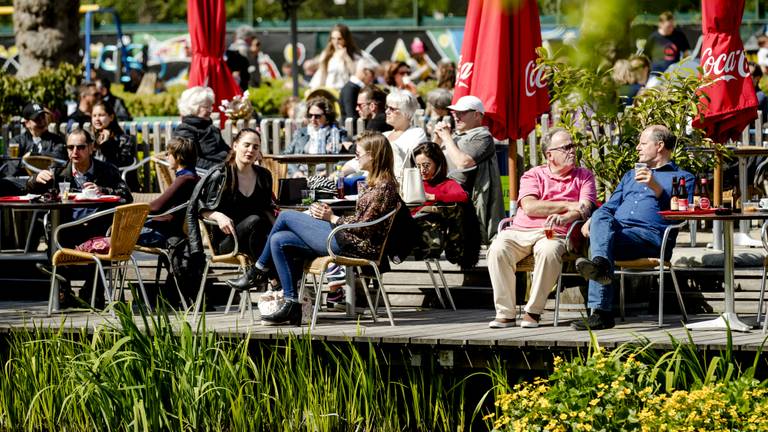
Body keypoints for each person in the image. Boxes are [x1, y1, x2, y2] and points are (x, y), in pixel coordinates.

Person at [233, 131, 400, 326]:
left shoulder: (382, 188)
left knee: (286, 216)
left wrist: (333, 218)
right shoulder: (375, 184)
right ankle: (291, 304)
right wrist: (334, 217)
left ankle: (258, 270)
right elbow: (363, 220)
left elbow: (364, 229)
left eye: (358, 153)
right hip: (347, 238)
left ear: (372, 155)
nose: (355, 157)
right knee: (279, 240)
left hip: (354, 245)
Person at [572, 125, 694, 330]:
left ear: (660, 145)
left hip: (649, 239)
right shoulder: (630, 175)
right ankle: (601, 267)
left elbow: (679, 214)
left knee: (600, 242)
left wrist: (656, 187)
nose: (637, 147)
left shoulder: (681, 177)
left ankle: (601, 312)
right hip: (618, 234)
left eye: (643, 143)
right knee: (600, 215)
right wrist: (592, 220)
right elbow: (610, 206)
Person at [487, 128, 596, 329]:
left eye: (573, 146)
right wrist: (568, 204)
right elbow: (530, 206)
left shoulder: (584, 176)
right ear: (549, 155)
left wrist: (568, 215)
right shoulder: (533, 175)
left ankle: (533, 312)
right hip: (519, 231)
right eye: (566, 147)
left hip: (556, 233)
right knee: (497, 249)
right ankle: (506, 313)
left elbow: (585, 208)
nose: (573, 151)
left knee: (548, 250)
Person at [28, 129, 133, 307]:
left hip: (98, 229)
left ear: (91, 147)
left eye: (80, 147)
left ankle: (93, 291)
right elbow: (31, 190)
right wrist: (35, 179)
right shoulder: (59, 172)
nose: (74, 152)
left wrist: (103, 190)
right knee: (54, 235)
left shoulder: (106, 170)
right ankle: (63, 289)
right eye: (70, 147)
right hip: (67, 230)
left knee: (103, 240)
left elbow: (126, 196)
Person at [187, 128, 276, 293]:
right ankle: (274, 279)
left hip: (256, 239)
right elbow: (198, 207)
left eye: (255, 147)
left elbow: (267, 209)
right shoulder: (220, 174)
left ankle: (269, 279)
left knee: (280, 238)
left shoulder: (264, 175)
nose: (250, 150)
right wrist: (218, 215)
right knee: (255, 221)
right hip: (227, 241)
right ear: (235, 146)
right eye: (246, 145)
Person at [433, 95, 504, 244]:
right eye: (454, 113)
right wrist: (437, 141)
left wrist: (446, 138)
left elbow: (463, 163)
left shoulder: (483, 137)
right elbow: (428, 162)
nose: (456, 117)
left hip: (467, 201)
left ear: (477, 115)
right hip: (444, 195)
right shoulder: (454, 137)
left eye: (462, 113)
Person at [137, 136, 200, 248]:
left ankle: (104, 264)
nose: (166, 157)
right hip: (169, 229)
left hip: (162, 232)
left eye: (168, 154)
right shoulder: (194, 177)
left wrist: (131, 210)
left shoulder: (184, 179)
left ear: (179, 157)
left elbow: (156, 207)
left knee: (115, 232)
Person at [283, 97, 350, 176]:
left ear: (327, 117)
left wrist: (329, 171)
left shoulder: (337, 132)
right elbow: (286, 155)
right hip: (302, 175)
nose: (313, 119)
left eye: (317, 116)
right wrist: (296, 172)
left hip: (327, 176)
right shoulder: (301, 133)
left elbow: (346, 159)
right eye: (310, 115)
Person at [3, 102, 66, 180]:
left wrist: (32, 155)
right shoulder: (16, 142)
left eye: (43, 117)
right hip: (23, 185)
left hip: (48, 183)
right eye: (37, 119)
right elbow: (12, 168)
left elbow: (60, 159)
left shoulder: (56, 140)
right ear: (27, 123)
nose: (42, 121)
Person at [173, 86, 231, 170]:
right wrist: (222, 168)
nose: (210, 110)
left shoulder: (211, 127)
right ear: (193, 107)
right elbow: (193, 161)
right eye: (206, 107)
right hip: (209, 176)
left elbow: (226, 150)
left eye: (211, 106)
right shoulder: (185, 130)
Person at [410, 141, 468, 214]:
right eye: (418, 166)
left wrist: (432, 197)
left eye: (426, 165)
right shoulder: (414, 184)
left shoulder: (447, 183)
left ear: (437, 163)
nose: (422, 170)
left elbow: (463, 197)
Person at [383, 90, 427, 181]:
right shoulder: (384, 135)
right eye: (387, 107)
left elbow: (411, 161)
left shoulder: (416, 133)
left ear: (406, 113)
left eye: (392, 109)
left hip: (402, 182)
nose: (387, 111)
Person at [308, 24, 361, 91]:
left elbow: (355, 75)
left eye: (339, 39)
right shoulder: (326, 54)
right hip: (329, 91)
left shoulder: (354, 54)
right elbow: (322, 75)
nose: (336, 42)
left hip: (344, 92)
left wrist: (346, 58)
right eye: (333, 38)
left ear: (346, 39)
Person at [91, 101, 137, 170]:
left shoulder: (124, 140)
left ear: (111, 117)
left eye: (101, 115)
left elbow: (123, 163)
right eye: (94, 116)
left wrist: (107, 143)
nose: (97, 119)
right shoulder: (90, 138)